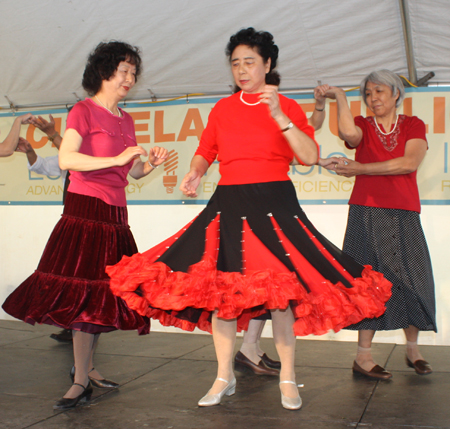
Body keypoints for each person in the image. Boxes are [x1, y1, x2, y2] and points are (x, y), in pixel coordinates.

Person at [106, 28, 391, 410]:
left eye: (250, 62)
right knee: (222, 292)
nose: (242, 70)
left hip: (274, 205)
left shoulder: (286, 106)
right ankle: (224, 376)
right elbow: (206, 149)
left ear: (268, 64)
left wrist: (278, 116)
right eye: (236, 63)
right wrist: (196, 171)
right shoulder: (223, 108)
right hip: (229, 203)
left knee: (280, 297)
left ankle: (288, 379)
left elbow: (308, 156)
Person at [2, 40, 168, 410]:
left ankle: (87, 369)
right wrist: (119, 155)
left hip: (115, 215)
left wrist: (148, 164)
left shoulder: (126, 119)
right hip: (85, 209)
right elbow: (66, 158)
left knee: (102, 296)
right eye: (123, 70)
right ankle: (79, 379)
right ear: (104, 72)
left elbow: (132, 171)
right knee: (82, 298)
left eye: (133, 72)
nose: (129, 77)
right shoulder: (84, 110)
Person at [320, 70, 436, 379]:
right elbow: (349, 135)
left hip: (404, 211)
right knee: (366, 282)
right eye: (368, 94)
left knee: (413, 279)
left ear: (396, 93)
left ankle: (413, 351)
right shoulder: (363, 125)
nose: (373, 99)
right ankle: (363, 357)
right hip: (366, 211)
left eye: (379, 91)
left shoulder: (413, 125)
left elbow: (409, 162)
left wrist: (362, 168)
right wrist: (342, 98)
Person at [235, 84, 329, 376]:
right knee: (264, 278)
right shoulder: (240, 114)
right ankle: (247, 349)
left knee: (269, 280)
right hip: (250, 202)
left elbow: (303, 131)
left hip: (271, 201)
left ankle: (250, 347)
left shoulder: (281, 110)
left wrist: (319, 107)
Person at [15, 115, 71, 343]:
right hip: (71, 222)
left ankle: (90, 324)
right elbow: (43, 166)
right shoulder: (67, 158)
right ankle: (70, 324)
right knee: (67, 275)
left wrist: (52, 134)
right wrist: (29, 150)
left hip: (96, 222)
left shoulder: (97, 157)